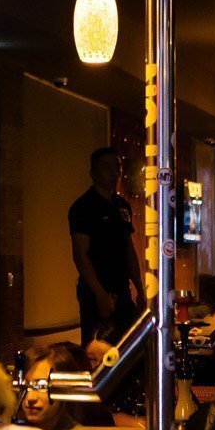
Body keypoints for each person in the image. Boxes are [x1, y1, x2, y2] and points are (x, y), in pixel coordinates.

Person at [70, 147, 145, 344]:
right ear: (93, 173)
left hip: (122, 289)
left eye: (117, 167)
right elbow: (80, 254)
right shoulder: (83, 207)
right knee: (98, 347)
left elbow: (129, 249)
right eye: (106, 167)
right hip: (95, 291)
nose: (114, 173)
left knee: (128, 345)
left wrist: (140, 288)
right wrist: (100, 294)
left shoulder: (122, 206)